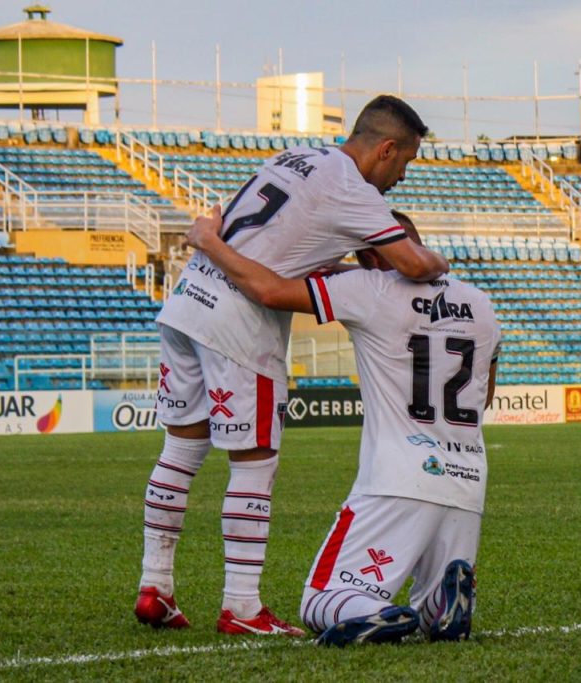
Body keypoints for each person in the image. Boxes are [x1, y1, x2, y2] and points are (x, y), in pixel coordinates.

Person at [135, 95, 449, 636]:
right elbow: (414, 263)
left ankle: (155, 586)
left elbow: (290, 236)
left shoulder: (294, 156)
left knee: (181, 448)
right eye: (406, 162)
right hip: (239, 319)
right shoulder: (354, 188)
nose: (403, 175)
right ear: (387, 149)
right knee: (255, 462)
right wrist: (445, 262)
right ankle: (241, 606)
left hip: (188, 300)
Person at [184, 207, 499, 646]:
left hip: (397, 476)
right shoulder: (481, 304)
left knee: (320, 600)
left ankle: (373, 612)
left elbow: (270, 291)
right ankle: (440, 606)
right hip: (468, 479)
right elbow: (483, 396)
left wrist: (210, 243)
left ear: (369, 256)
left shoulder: (367, 290)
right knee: (431, 616)